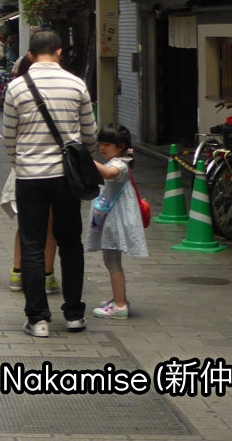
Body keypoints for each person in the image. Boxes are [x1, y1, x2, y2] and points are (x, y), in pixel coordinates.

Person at [3, 29, 96, 339]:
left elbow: (8, 138)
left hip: (30, 177)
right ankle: (73, 316)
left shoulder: (16, 87)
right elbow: (89, 135)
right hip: (66, 177)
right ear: (59, 52)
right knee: (71, 242)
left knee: (32, 244)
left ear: (30, 55)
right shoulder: (77, 84)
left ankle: (38, 319)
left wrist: (21, 164)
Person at [6, 57, 59, 298]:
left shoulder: (16, 88)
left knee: (25, 225)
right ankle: (47, 276)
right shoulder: (69, 84)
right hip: (57, 168)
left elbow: (9, 136)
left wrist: (16, 164)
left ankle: (18, 274)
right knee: (49, 226)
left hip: (26, 167)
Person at [87, 124, 147, 319]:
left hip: (115, 222)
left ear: (120, 146)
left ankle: (120, 305)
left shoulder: (119, 165)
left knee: (113, 263)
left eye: (107, 144)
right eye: (100, 144)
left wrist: (86, 159)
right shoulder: (118, 161)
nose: (102, 148)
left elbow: (109, 173)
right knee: (111, 262)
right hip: (111, 220)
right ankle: (118, 299)